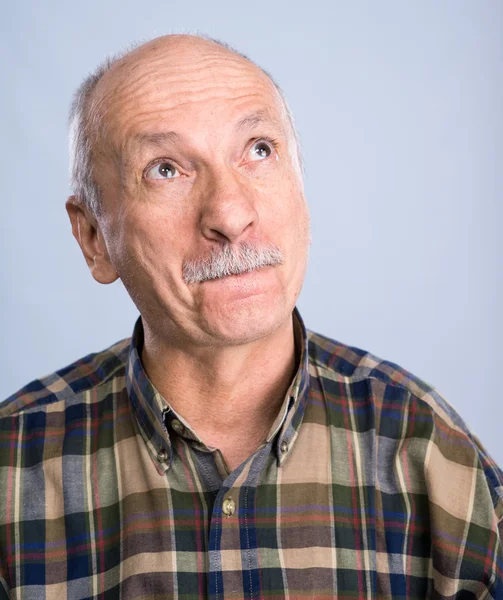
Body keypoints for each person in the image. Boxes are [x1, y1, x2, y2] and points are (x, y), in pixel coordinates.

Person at [0, 34, 501, 599]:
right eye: (166, 169)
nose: (231, 214)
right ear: (93, 237)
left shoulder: (436, 456)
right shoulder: (11, 473)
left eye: (259, 150)